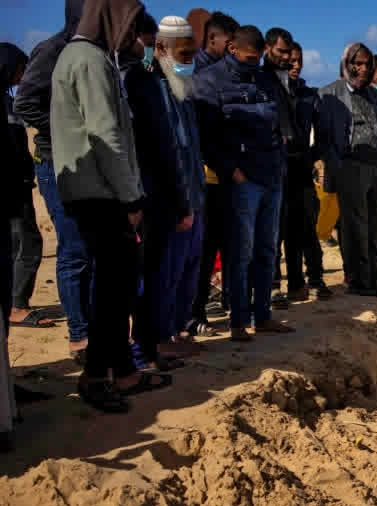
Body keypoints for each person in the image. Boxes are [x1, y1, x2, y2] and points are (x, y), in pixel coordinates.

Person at [52, 0, 166, 413]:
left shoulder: (93, 58)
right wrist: (130, 196)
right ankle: (97, 375)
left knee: (118, 285)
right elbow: (106, 135)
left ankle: (124, 371)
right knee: (113, 292)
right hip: (100, 193)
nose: (134, 35)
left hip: (103, 189)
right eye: (130, 23)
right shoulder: (87, 59)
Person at [193, 25, 294, 342]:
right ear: (232, 50)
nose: (255, 62)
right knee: (241, 252)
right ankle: (238, 320)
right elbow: (206, 137)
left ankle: (262, 315)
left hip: (271, 176)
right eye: (250, 58)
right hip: (241, 180)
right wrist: (231, 171)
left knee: (267, 250)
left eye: (259, 57)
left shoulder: (265, 79)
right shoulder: (209, 81)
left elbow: (278, 122)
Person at [125, 15, 207, 371]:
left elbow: (188, 149)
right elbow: (162, 150)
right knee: (157, 277)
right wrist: (180, 204)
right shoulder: (142, 83)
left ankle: (161, 341)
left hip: (188, 198)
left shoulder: (181, 88)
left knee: (176, 276)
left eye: (192, 54)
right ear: (160, 48)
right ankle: (145, 351)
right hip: (162, 201)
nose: (189, 60)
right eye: (183, 53)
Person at [14, 0, 90, 361]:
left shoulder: (96, 55)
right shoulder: (53, 51)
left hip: (90, 165)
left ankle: (91, 327)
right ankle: (80, 336)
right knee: (74, 248)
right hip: (57, 163)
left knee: (90, 249)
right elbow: (25, 104)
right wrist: (71, 131)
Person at [314, 42, 377, 297]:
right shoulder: (329, 94)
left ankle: (373, 279)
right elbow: (323, 137)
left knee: (376, 225)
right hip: (350, 168)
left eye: (367, 64)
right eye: (357, 64)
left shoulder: (373, 94)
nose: (362, 69)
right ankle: (358, 281)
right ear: (346, 64)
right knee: (356, 226)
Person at [185, 10, 238, 339]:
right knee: (202, 249)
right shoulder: (199, 74)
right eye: (228, 42)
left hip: (222, 173)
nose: (231, 49)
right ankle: (193, 313)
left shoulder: (221, 73)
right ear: (213, 39)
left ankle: (203, 307)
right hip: (204, 174)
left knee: (217, 245)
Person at [2, 44, 49, 331]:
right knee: (27, 244)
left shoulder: (10, 103)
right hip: (10, 189)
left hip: (18, 185)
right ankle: (17, 306)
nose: (23, 75)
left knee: (19, 244)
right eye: (20, 69)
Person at [282, 43, 330, 299]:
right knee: (282, 230)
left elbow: (322, 136)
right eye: (291, 60)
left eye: (299, 60)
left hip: (302, 170)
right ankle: (290, 285)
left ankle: (315, 278)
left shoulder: (309, 95)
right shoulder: (271, 90)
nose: (296, 64)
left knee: (307, 228)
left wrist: (310, 158)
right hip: (277, 170)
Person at [263, 27, 298, 310]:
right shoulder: (262, 78)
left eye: (289, 52)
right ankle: (269, 288)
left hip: (285, 163)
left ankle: (273, 288)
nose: (286, 57)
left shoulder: (287, 80)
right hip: (264, 165)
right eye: (281, 51)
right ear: (267, 49)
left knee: (279, 231)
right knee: (265, 235)